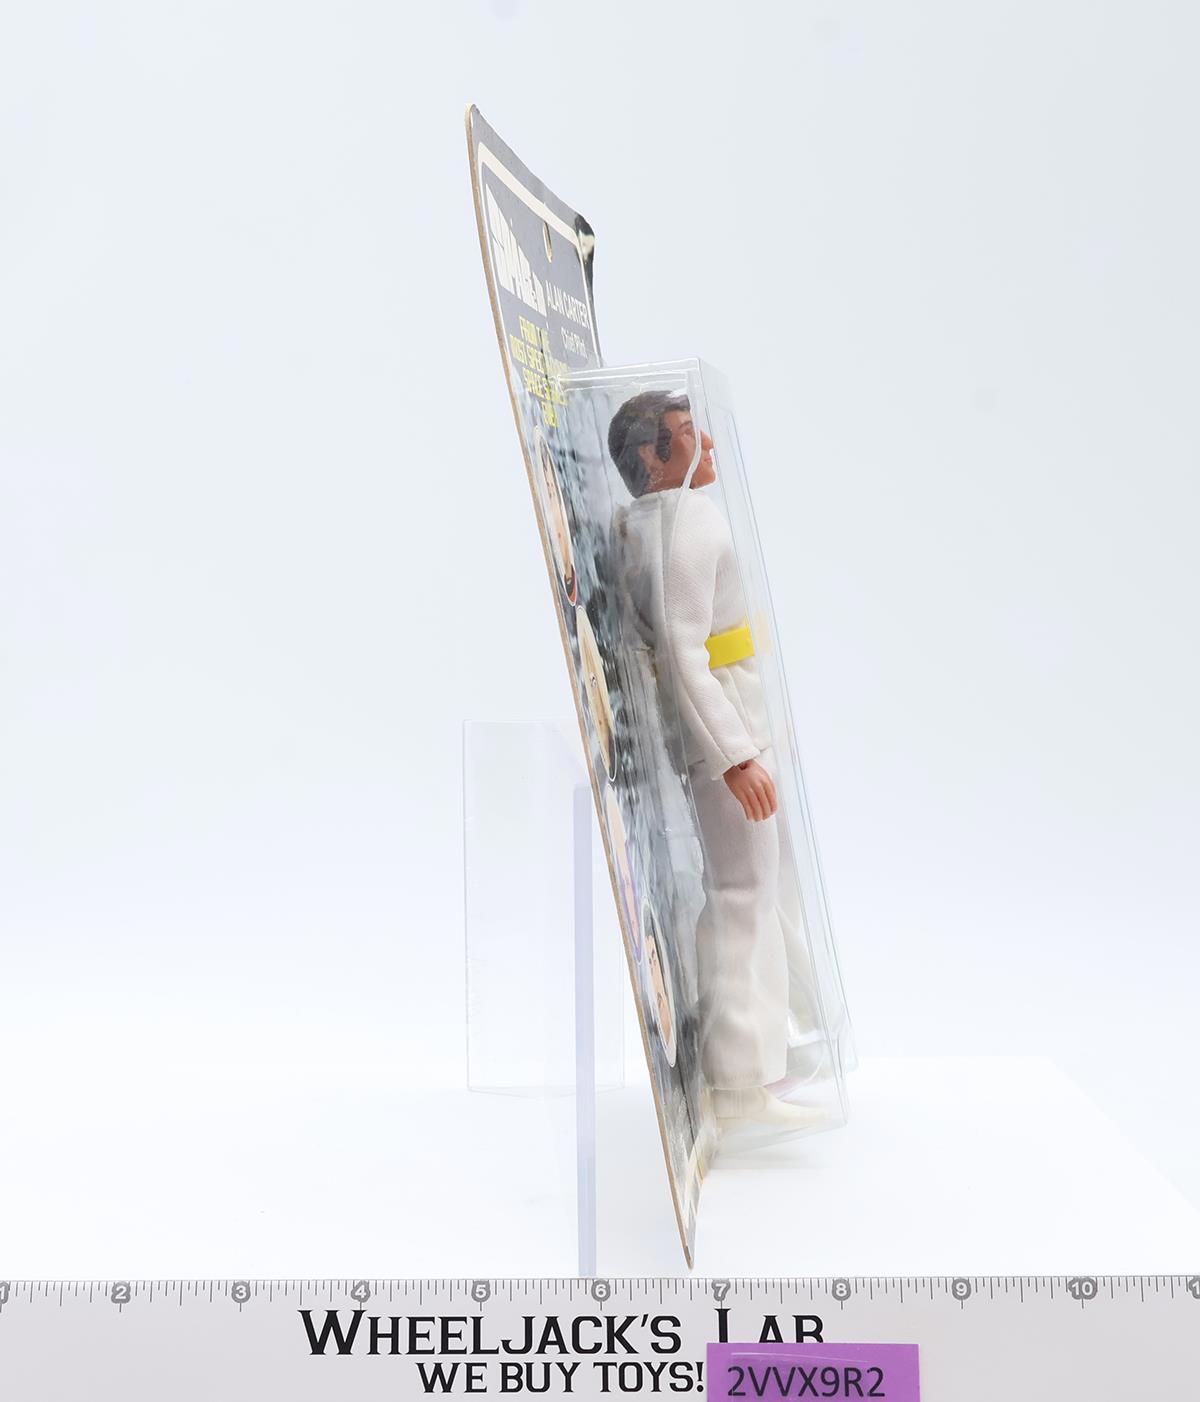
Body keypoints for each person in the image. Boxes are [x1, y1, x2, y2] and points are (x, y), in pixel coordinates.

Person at [610, 391, 824, 1130]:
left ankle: (777, 1043)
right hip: (725, 729)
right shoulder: (687, 522)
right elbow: (681, 649)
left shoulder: (652, 522)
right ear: (653, 457)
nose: (703, 442)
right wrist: (734, 757)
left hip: (735, 718)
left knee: (761, 888)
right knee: (742, 895)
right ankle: (738, 1085)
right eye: (684, 434)